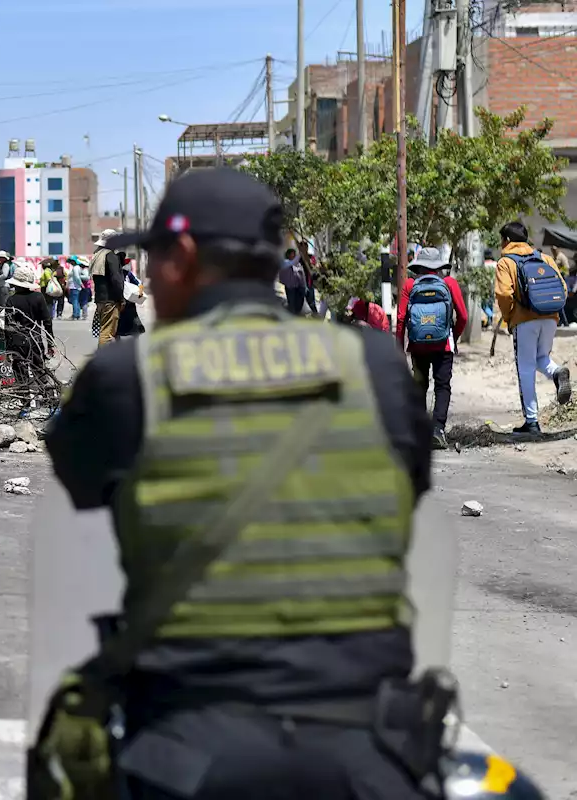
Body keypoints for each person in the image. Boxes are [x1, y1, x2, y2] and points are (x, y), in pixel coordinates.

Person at [38, 168, 438, 800]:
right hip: (369, 752)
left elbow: (79, 481)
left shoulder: (128, 376)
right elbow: (411, 486)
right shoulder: (375, 365)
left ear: (184, 258)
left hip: (187, 750)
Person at [494, 221, 571, 435]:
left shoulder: (505, 262)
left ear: (507, 240)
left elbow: (503, 294)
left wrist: (510, 317)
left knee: (525, 368)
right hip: (550, 317)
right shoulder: (544, 258)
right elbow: (562, 288)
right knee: (541, 358)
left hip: (524, 320)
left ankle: (532, 422)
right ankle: (557, 373)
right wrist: (552, 312)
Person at [396, 248, 469, 450]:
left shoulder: (410, 285)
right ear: (438, 266)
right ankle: (438, 430)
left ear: (419, 266)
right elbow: (463, 316)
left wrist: (399, 347)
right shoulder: (449, 283)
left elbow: (401, 318)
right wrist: (454, 334)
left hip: (418, 344)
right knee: (442, 385)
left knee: (420, 385)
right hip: (443, 344)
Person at [3, 264, 54, 387]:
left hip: (18, 342)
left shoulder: (11, 300)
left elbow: (8, 326)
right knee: (39, 371)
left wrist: (8, 349)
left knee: (20, 373)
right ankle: (46, 397)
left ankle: (25, 401)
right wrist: (50, 343)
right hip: (35, 339)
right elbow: (47, 322)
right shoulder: (38, 297)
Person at [90, 229, 126, 346]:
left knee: (105, 329)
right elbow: (116, 280)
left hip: (100, 299)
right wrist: (121, 299)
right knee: (107, 332)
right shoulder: (110, 256)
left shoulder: (97, 255)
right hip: (110, 300)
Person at [115, 252, 145, 338]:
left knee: (125, 319)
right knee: (123, 320)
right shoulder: (124, 274)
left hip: (124, 301)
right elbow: (139, 284)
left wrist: (140, 292)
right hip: (122, 300)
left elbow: (138, 283)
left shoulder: (126, 274)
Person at [279, 247, 308, 314]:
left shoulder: (297, 263)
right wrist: (301, 253)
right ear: (288, 255)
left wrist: (304, 286)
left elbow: (301, 274)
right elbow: (292, 263)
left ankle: (296, 315)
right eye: (292, 254)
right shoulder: (285, 262)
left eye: (294, 254)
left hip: (298, 287)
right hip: (290, 287)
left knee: (299, 304)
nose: (294, 255)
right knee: (291, 304)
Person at [65, 255, 90, 320]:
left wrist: (80, 284)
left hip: (74, 287)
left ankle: (75, 315)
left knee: (75, 301)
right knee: (76, 301)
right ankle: (77, 314)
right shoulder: (77, 268)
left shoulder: (76, 268)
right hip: (75, 286)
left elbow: (77, 277)